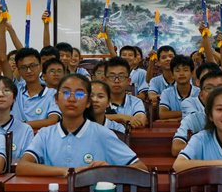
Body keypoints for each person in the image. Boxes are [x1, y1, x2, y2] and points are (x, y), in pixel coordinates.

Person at [17, 74, 147, 176]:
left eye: (79, 94)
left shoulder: (102, 133)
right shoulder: (45, 134)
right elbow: (22, 167)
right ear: (56, 99)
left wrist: (110, 170)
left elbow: (141, 168)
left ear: (88, 102)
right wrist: (69, 171)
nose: (72, 99)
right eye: (66, 92)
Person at [171, 70, 222, 156]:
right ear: (201, 95)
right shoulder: (192, 119)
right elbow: (176, 148)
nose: (215, 92)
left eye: (221, 88)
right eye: (209, 88)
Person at [0, 76, 34, 162]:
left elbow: (26, 163)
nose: (1, 94)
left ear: (14, 98)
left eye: (6, 90)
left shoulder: (25, 130)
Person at [12, 48, 61, 129]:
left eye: (32, 66)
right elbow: (2, 59)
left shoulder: (53, 93)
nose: (29, 71)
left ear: (41, 66)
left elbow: (52, 121)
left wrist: (20, 125)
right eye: (23, 67)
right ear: (19, 70)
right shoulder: (16, 90)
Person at [103, 57, 147, 128]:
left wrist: (108, 117)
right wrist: (121, 117)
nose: (116, 81)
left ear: (128, 81)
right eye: (112, 76)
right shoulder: (97, 100)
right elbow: (92, 119)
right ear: (105, 80)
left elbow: (140, 121)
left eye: (121, 76)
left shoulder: (136, 102)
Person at [159, 55, 199, 120]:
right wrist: (188, 113)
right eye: (177, 71)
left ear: (192, 73)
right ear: (172, 74)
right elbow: (162, 114)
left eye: (185, 70)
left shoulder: (199, 92)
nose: (181, 74)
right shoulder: (166, 93)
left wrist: (176, 117)